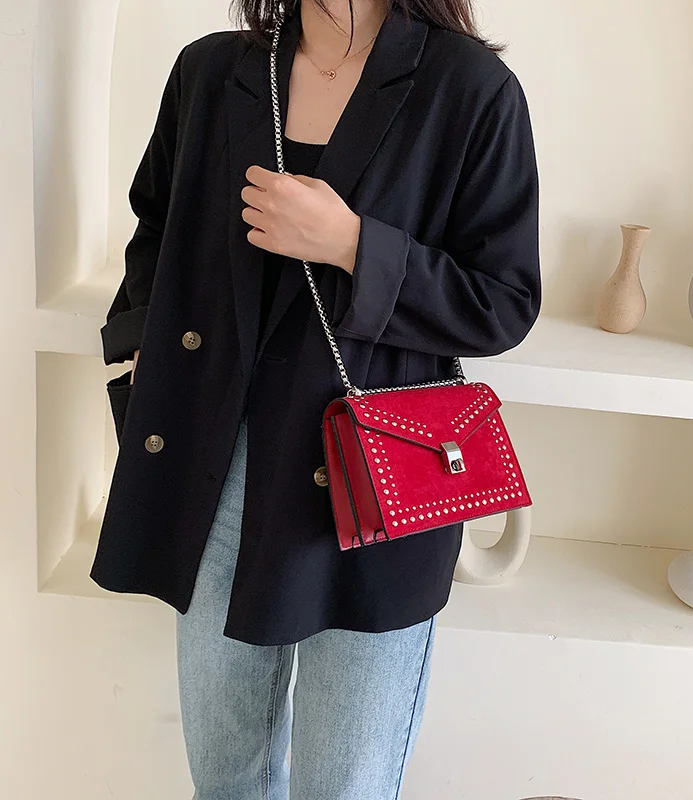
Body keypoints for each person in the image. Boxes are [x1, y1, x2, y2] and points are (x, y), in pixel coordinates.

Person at [91, 0, 540, 797]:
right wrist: (132, 359)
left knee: (346, 785)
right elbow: (155, 228)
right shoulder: (213, 70)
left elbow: (502, 302)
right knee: (225, 778)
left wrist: (353, 245)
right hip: (217, 472)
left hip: (370, 484)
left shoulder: (469, 88)